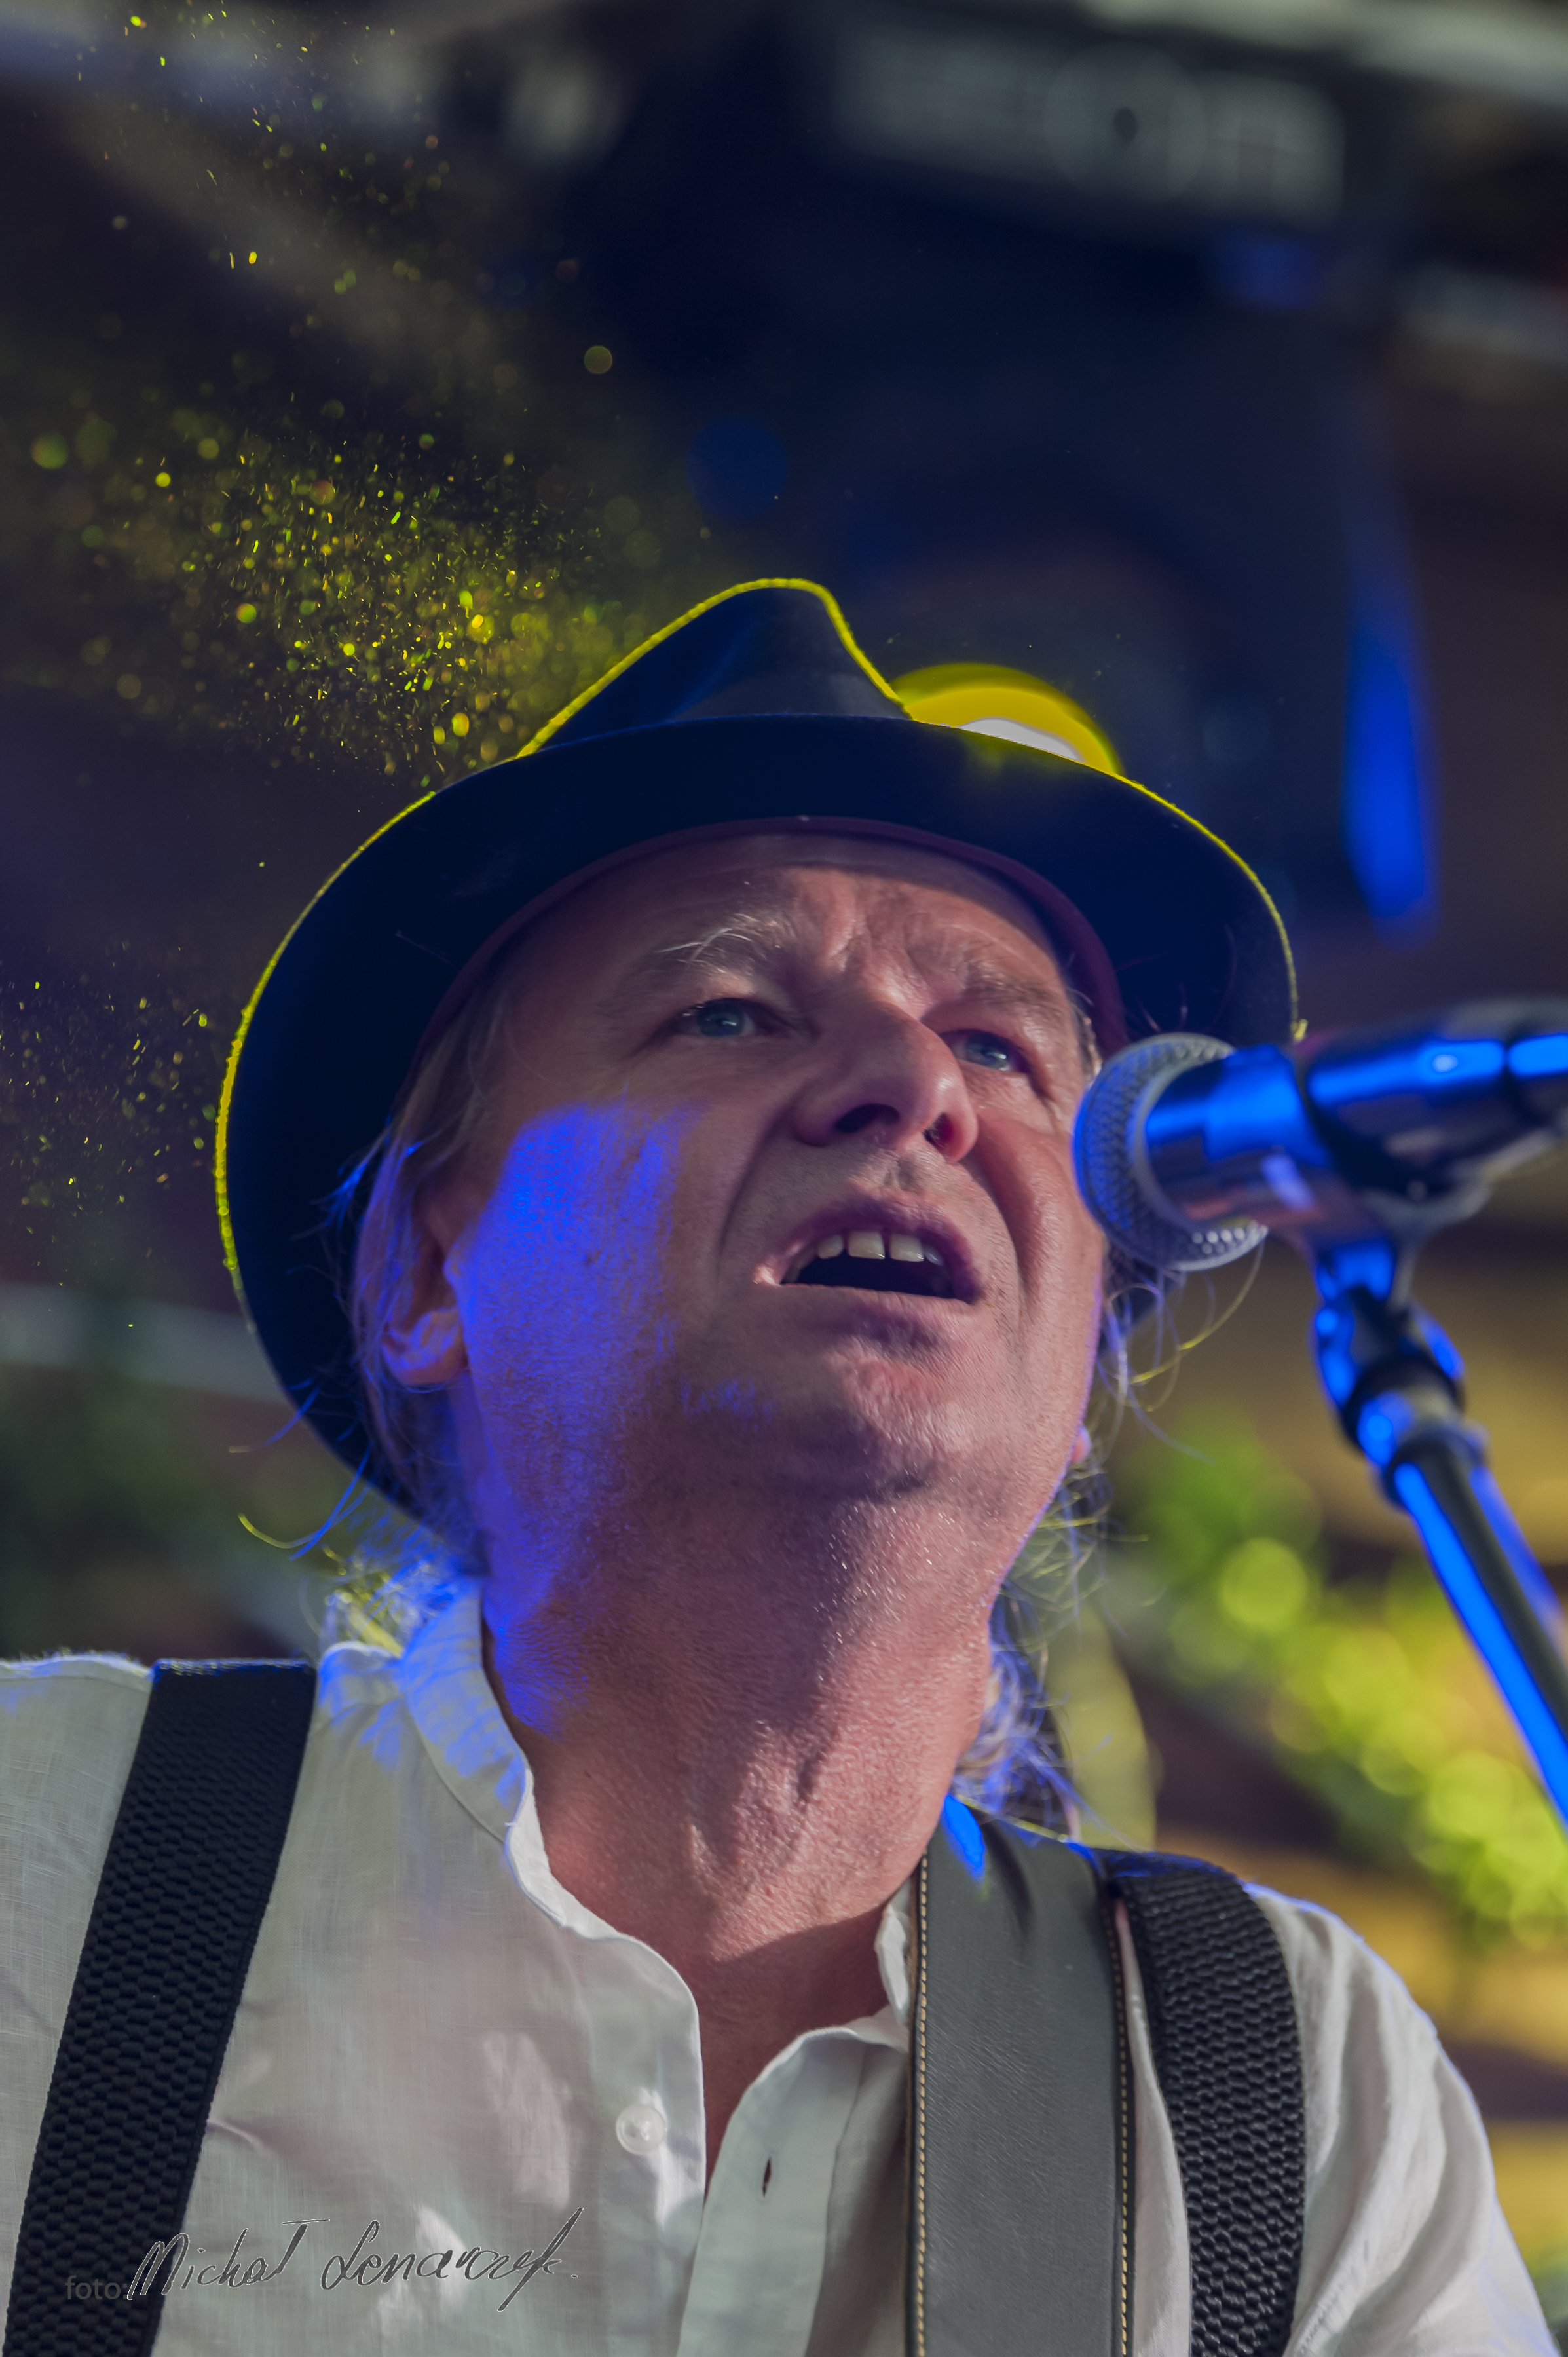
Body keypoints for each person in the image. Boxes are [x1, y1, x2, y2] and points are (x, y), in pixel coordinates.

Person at [0, 582, 1552, 2355]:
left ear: (1084, 1351)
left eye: (999, 1046)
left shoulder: (1286, 2091)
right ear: (428, 1266)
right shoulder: (44, 1857)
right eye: (730, 1011)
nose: (911, 1087)